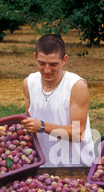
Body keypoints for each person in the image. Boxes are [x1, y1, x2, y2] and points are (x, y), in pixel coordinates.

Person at [21, 34, 94, 167]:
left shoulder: (76, 86)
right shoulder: (29, 83)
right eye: (41, 63)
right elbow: (29, 124)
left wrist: (42, 126)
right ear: (35, 58)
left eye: (53, 64)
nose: (47, 70)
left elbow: (78, 133)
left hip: (76, 166)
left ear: (64, 60)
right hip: (43, 166)